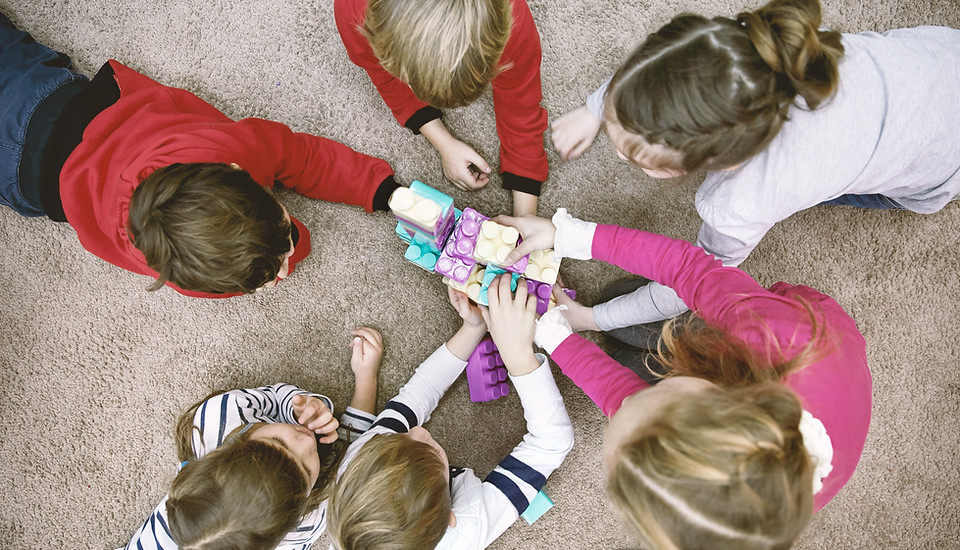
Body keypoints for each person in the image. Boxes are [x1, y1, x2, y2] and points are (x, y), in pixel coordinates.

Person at [548, 0, 960, 336]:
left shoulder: (738, 203)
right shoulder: (737, 52)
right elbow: (661, 70)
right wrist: (597, 106)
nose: (619, 157)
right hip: (942, 58)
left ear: (721, 160)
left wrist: (593, 318)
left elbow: (698, 280)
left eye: (636, 157)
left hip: (939, 168)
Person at [496, 209, 871, 549]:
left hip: (785, 372)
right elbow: (686, 267)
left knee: (628, 346)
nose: (623, 405)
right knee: (624, 305)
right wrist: (566, 235)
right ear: (714, 392)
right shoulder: (768, 332)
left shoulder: (746, 515)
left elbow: (624, 403)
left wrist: (554, 337)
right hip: (797, 323)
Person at [1, 12, 402, 298]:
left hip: (43, 109)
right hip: (30, 164)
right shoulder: (179, 263)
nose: (285, 261)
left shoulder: (232, 147)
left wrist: (379, 189)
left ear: (234, 169)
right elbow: (297, 160)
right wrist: (290, 246)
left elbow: (303, 155)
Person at [326, 287, 574, 550]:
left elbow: (418, 393)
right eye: (429, 448)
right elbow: (553, 441)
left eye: (400, 436)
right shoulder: (468, 528)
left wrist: (472, 328)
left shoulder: (362, 461)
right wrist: (518, 354)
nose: (418, 431)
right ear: (449, 518)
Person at [119, 327, 382, 550]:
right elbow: (353, 458)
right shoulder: (305, 523)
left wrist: (301, 406)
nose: (305, 442)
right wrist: (366, 379)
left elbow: (276, 396)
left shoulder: (217, 416)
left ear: (219, 452)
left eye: (278, 443)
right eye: (304, 469)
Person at [334, 0, 548, 217]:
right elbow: (384, 77)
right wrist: (443, 142)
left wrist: (525, 215)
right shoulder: (353, 13)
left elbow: (521, 99)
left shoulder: (512, 17)